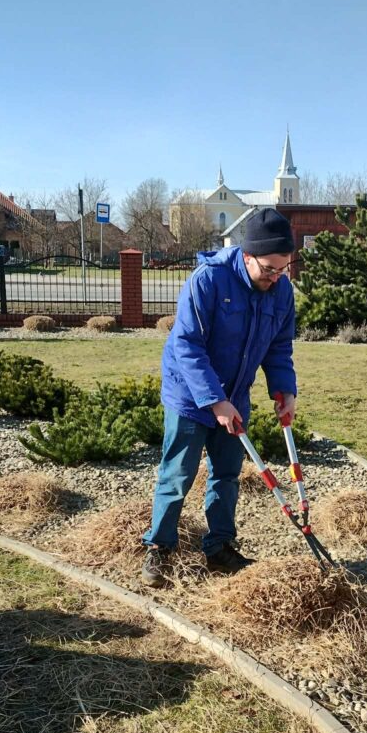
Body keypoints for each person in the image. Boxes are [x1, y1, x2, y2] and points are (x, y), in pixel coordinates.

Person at [141, 207, 298, 587]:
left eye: (284, 269)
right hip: (190, 395)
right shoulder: (208, 280)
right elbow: (187, 345)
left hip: (236, 393)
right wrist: (214, 401)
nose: (276, 277)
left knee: (226, 474)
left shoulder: (281, 291)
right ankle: (159, 548)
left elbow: (279, 347)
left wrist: (284, 389)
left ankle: (220, 547)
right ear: (247, 257)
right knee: (178, 473)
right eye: (269, 269)